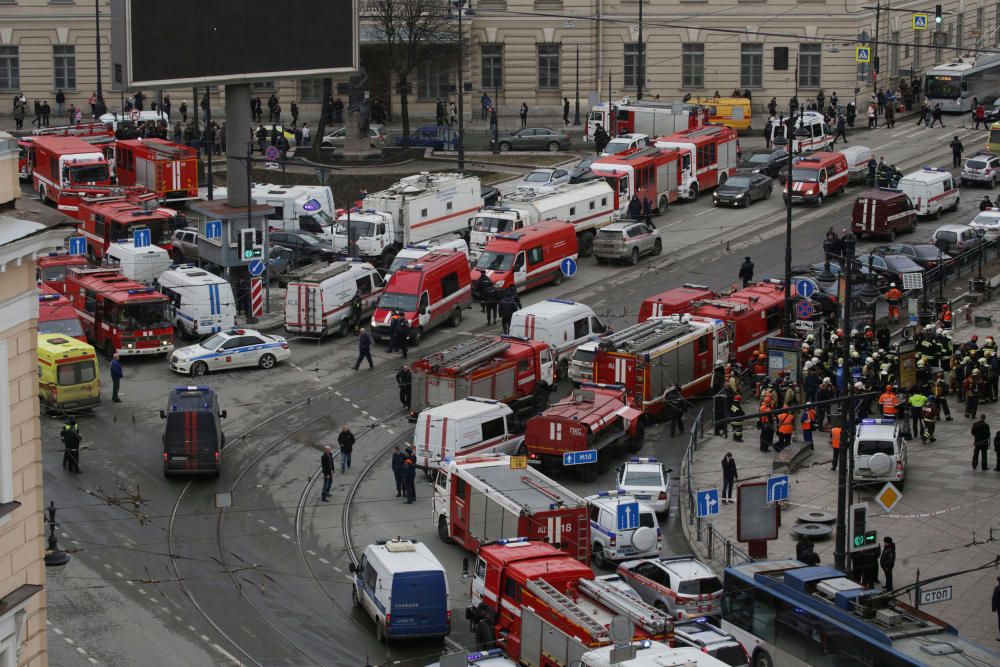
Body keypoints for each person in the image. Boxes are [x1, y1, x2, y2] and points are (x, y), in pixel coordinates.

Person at [991, 576, 1000, 640]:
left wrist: (993, 608)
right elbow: (994, 599)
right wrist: (994, 608)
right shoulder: (997, 589)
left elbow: (994, 599)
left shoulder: (997, 589)